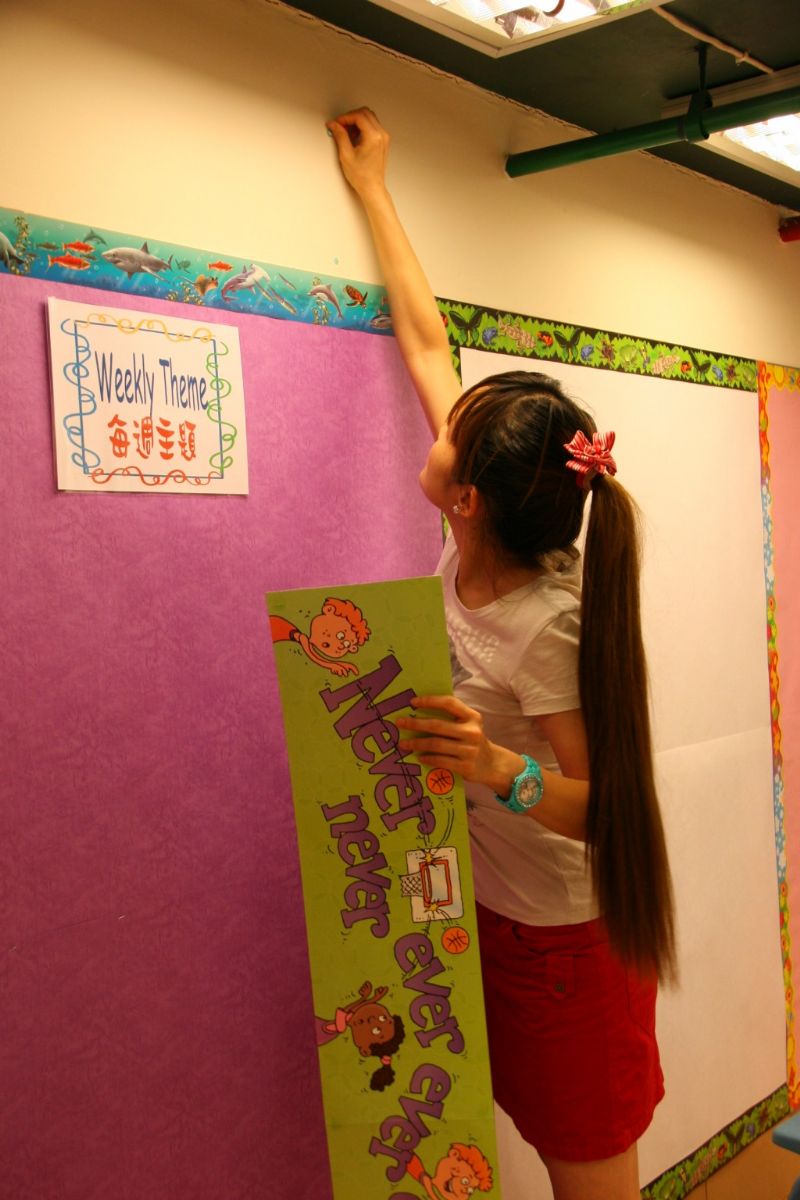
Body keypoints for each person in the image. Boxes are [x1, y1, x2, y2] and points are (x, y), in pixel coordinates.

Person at [326, 108, 676, 1200]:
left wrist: (494, 768)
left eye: (450, 431)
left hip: (566, 947)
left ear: (468, 496)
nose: (437, 422)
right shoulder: (469, 532)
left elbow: (609, 809)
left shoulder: (545, 621)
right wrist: (375, 186)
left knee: (589, 1180)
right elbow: (429, 345)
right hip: (487, 917)